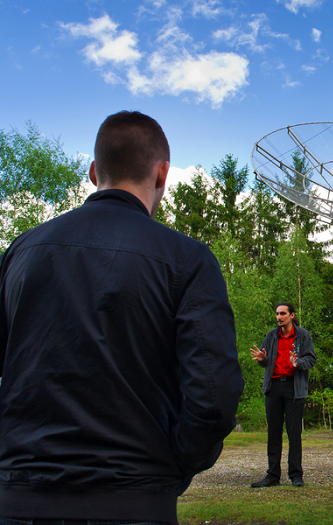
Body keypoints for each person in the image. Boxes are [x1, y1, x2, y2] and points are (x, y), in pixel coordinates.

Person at [0, 111, 245, 524]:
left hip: (19, 499)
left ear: (94, 171)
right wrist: (177, 462)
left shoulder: (21, 252)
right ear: (162, 173)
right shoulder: (186, 260)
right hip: (134, 501)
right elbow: (214, 392)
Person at [250, 303, 316, 488]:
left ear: (292, 315)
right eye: (277, 314)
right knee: (273, 433)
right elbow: (264, 360)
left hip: (294, 388)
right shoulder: (271, 336)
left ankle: (296, 475)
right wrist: (262, 360)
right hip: (274, 387)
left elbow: (311, 359)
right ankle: (273, 475)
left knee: (294, 433)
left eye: (283, 313)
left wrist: (298, 363)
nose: (279, 317)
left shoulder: (302, 335)